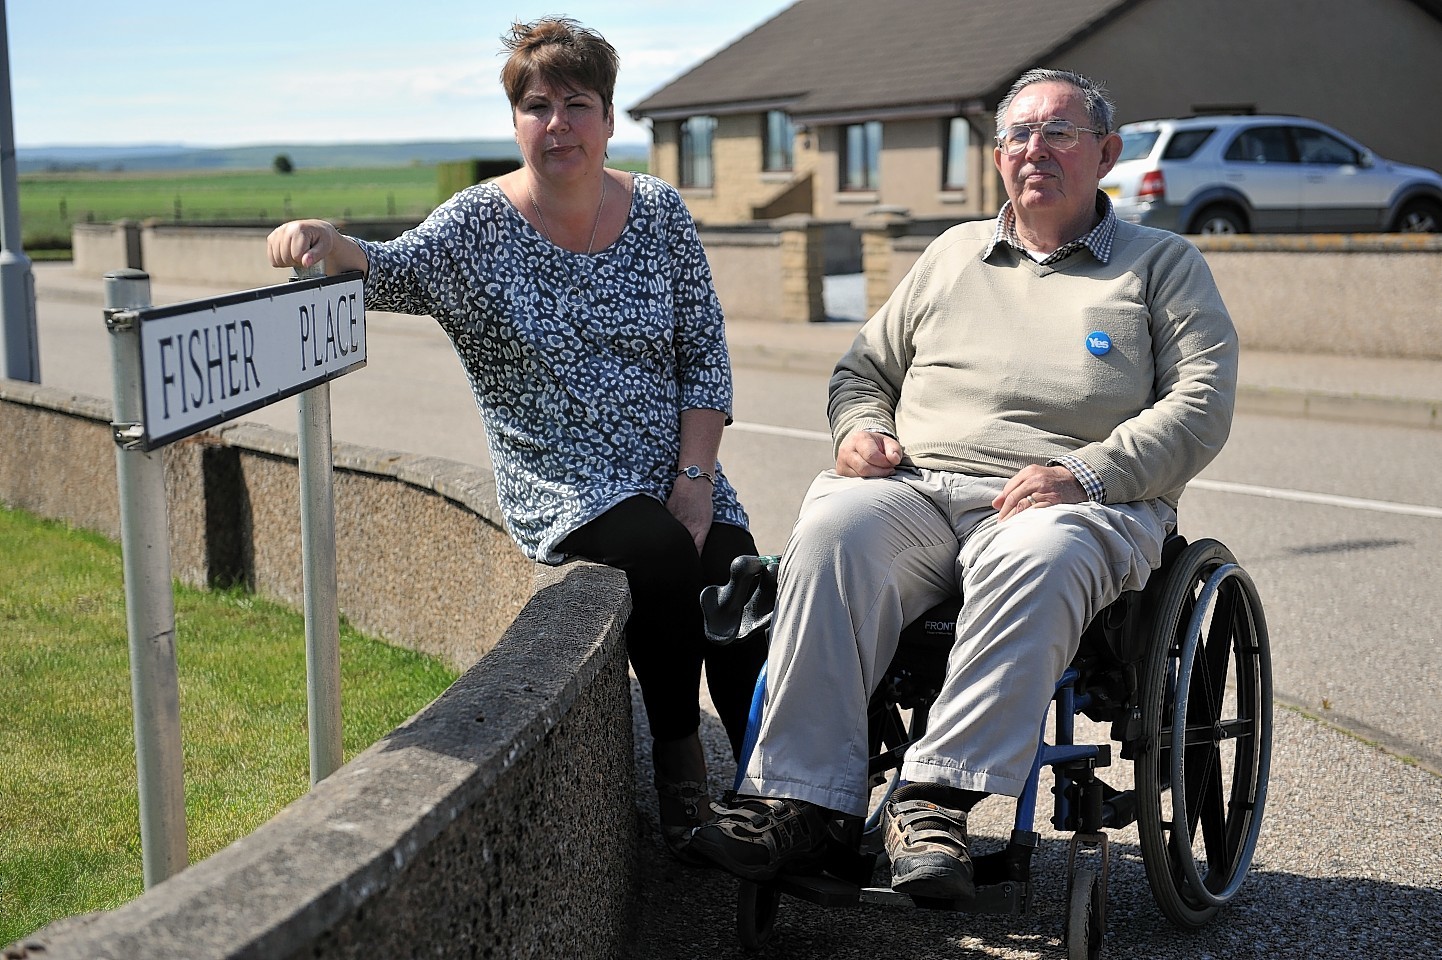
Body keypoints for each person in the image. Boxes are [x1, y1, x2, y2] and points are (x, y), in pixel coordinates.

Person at [689, 69, 1238, 898]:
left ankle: (934, 798)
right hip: (921, 487)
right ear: (998, 155)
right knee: (833, 526)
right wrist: (860, 430)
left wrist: (1085, 473)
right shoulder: (951, 255)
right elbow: (862, 369)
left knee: (1040, 553)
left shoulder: (1162, 265)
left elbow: (1200, 405)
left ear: (1106, 153)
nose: (1035, 151)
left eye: (1058, 133)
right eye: (1018, 135)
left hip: (1077, 499)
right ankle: (802, 804)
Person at [266, 17, 765, 861]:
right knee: (659, 554)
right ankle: (682, 784)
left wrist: (695, 477)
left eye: (578, 104)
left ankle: (769, 790)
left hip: (679, 467)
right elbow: (392, 270)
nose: (558, 124)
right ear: (516, 122)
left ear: (610, 120)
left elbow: (703, 357)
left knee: (740, 575)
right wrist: (327, 243)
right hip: (565, 483)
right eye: (538, 106)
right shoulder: (476, 227)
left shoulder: (661, 213)